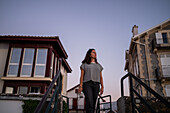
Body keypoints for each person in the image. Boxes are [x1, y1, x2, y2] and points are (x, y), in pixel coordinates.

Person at [78, 48, 104, 113]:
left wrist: (102, 86)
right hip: (87, 85)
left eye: (95, 52)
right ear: (89, 54)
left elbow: (101, 77)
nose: (95, 54)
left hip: (96, 85)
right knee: (89, 102)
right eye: (93, 52)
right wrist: (80, 86)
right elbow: (82, 76)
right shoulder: (84, 64)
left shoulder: (99, 65)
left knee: (93, 103)